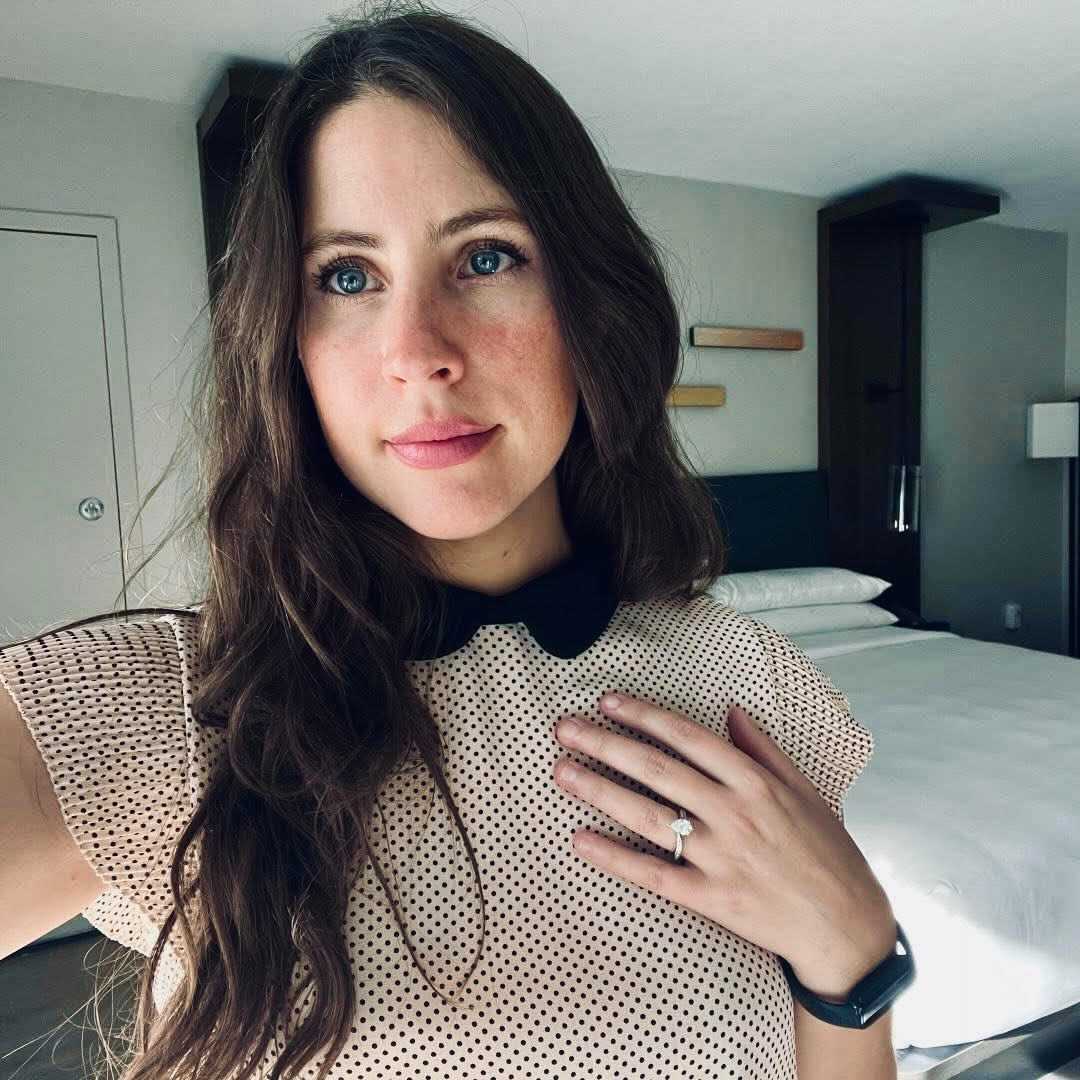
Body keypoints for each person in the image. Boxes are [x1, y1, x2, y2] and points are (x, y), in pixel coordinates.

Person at [0, 3, 904, 1078]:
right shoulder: (155, 704)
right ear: (287, 345)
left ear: (589, 301)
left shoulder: (753, 684)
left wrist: (858, 958)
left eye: (486, 257)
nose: (417, 350)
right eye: (346, 276)